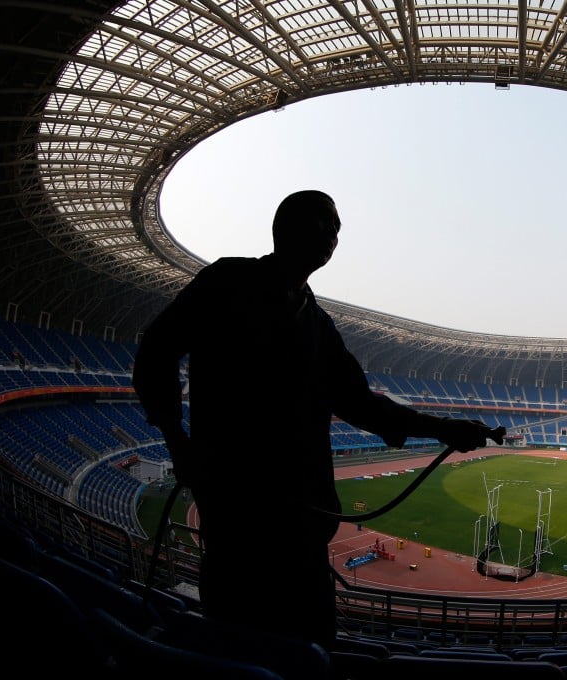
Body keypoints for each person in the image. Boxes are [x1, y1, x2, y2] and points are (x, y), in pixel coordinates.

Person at [132, 189, 501, 648]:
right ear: (284, 227)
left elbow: (361, 404)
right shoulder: (226, 282)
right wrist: (175, 439)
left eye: (338, 229)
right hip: (237, 515)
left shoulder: (319, 324)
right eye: (324, 223)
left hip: (303, 527)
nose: (333, 235)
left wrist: (443, 428)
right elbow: (156, 350)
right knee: (236, 642)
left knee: (310, 649)